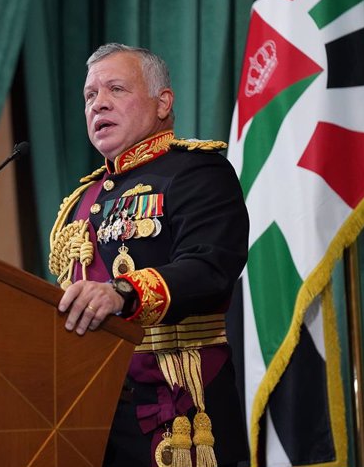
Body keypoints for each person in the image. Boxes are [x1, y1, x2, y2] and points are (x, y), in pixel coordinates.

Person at [48, 43, 250, 467]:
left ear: (163, 103)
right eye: (90, 95)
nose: (98, 103)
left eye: (116, 89)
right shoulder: (79, 200)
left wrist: (122, 292)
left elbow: (210, 268)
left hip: (176, 406)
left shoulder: (197, 173)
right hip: (87, 415)